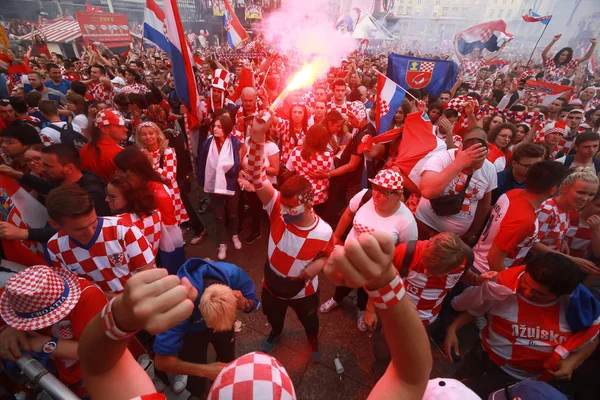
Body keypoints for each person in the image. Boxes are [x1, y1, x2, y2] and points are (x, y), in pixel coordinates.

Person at [77, 232, 432, 400]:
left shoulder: (231, 275)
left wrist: (119, 316)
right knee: (195, 358)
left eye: (232, 319)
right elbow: (411, 376)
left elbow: (101, 366)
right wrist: (387, 286)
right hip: (196, 343)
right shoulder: (180, 315)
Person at [447, 253, 599, 398]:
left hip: (536, 382)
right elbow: (474, 310)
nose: (526, 292)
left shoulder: (580, 308)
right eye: (525, 283)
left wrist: (573, 361)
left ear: (562, 294)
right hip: (487, 364)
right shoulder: (503, 289)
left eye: (538, 293)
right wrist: (453, 329)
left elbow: (592, 335)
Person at [247, 113, 334, 361]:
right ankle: (275, 333)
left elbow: (331, 255)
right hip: (271, 284)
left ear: (309, 205)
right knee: (274, 318)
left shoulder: (324, 231)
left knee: (310, 321)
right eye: (282, 206)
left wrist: (317, 265)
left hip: (303, 291)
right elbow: (256, 177)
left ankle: (312, 341)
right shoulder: (276, 206)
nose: (282, 213)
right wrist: (257, 136)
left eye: (291, 209)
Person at [320, 169, 417, 331]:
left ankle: (362, 309)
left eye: (384, 192)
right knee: (344, 282)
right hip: (351, 255)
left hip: (373, 266)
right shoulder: (365, 196)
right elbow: (348, 215)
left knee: (365, 291)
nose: (377, 195)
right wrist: (336, 237)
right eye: (375, 188)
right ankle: (336, 299)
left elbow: (406, 251)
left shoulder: (406, 221)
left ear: (397, 195)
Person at [152, 258, 260, 397]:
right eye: (212, 325)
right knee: (196, 384)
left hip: (218, 325)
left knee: (227, 361)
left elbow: (254, 303)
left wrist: (245, 303)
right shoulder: (178, 304)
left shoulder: (233, 274)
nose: (214, 330)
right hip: (191, 334)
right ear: (197, 308)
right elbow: (160, 362)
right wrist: (204, 370)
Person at [0, 265, 107, 397]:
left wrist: (44, 344)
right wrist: (9, 328)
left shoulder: (89, 297)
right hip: (47, 374)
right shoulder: (19, 292)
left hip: (88, 375)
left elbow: (97, 352)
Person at [46, 184, 155, 295]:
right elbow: (77, 290)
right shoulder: (55, 248)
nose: (91, 233)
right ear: (54, 224)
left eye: (93, 223)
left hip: (140, 299)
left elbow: (148, 274)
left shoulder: (122, 229)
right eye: (80, 229)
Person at [472, 161, 567, 274]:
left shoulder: (513, 193)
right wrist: (504, 284)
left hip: (478, 260)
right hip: (486, 272)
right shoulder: (524, 220)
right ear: (553, 189)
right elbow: (494, 258)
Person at [417, 127, 496, 243]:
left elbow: (484, 203)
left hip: (454, 238)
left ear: (486, 153)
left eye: (477, 166)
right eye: (469, 166)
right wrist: (458, 164)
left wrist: (473, 232)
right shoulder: (442, 158)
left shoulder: (490, 169)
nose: (471, 170)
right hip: (424, 224)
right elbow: (427, 191)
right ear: (461, 148)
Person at [113, 147, 185, 275]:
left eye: (119, 170)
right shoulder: (139, 186)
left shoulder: (157, 191)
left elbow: (169, 223)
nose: (116, 173)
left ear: (129, 171)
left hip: (161, 244)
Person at [531, 169, 600, 273]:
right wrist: (571, 259)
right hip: (534, 266)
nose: (586, 198)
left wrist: (562, 240)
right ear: (565, 188)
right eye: (581, 192)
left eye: (591, 195)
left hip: (546, 264)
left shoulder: (569, 207)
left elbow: (549, 233)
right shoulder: (548, 209)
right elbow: (531, 243)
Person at [198, 113, 244, 260]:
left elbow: (239, 162)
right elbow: (203, 163)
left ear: (227, 128)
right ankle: (222, 244)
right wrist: (202, 180)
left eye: (219, 127)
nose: (215, 129)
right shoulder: (207, 143)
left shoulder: (235, 142)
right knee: (218, 216)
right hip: (213, 184)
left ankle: (235, 235)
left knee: (233, 213)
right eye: (214, 126)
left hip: (231, 183)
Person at [135, 122, 189, 226]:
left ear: (157, 134)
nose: (148, 137)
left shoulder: (167, 151)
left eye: (151, 133)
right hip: (152, 196)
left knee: (171, 225)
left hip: (169, 195)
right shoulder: (141, 154)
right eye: (144, 134)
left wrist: (153, 166)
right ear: (139, 137)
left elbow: (170, 178)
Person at [107, 171, 162, 256]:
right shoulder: (156, 213)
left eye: (112, 197)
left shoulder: (117, 224)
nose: (106, 199)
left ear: (130, 197)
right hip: (152, 264)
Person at [286, 124, 334, 215]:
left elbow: (289, 168)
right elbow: (331, 171)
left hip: (301, 196)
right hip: (319, 198)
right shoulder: (328, 156)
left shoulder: (296, 151)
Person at [80, 109, 125, 183]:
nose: (125, 129)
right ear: (105, 129)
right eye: (119, 126)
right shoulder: (121, 153)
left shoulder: (85, 148)